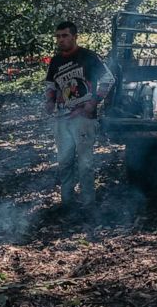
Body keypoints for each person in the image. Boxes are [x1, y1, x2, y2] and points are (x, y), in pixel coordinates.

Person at [43, 21, 115, 213]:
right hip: (62, 118)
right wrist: (49, 102)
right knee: (64, 161)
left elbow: (108, 79)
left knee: (85, 163)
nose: (61, 40)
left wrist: (94, 102)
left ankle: (88, 204)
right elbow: (51, 85)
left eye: (65, 35)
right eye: (58, 36)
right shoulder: (56, 61)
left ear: (75, 36)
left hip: (84, 117)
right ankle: (66, 203)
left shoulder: (88, 56)